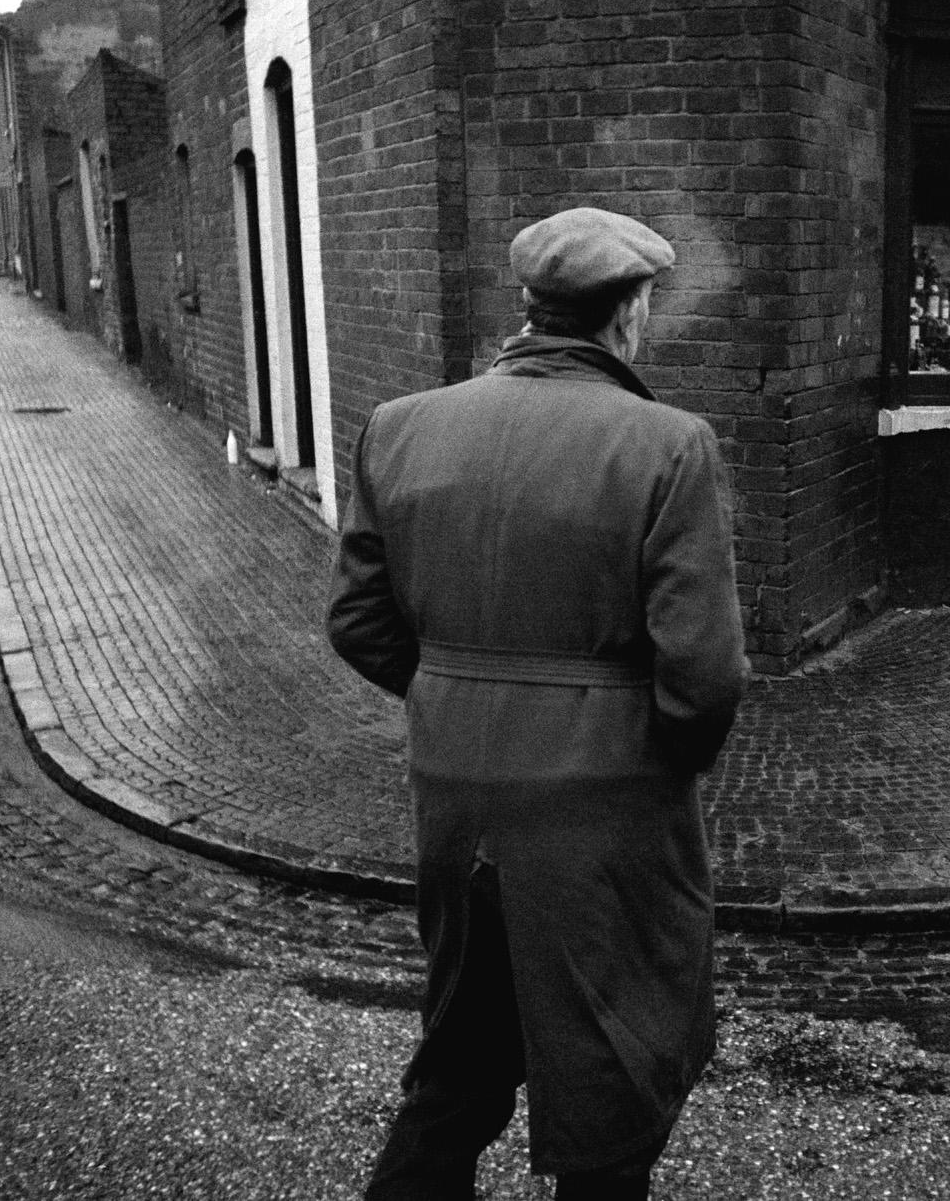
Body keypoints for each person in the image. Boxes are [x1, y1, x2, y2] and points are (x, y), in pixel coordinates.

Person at [327, 206, 750, 1201]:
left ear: (532, 308)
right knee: (607, 1093)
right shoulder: (667, 446)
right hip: (603, 827)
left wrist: (456, 695)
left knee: (458, 1067)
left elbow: (357, 620)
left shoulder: (401, 427)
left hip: (456, 815)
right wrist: (636, 745)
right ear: (629, 312)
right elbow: (702, 680)